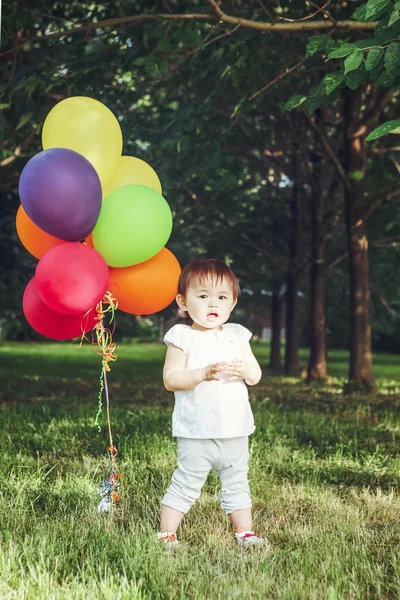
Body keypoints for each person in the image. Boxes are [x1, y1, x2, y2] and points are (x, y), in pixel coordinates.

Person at [156, 258, 265, 549]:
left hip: (235, 430)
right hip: (196, 430)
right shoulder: (182, 338)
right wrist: (202, 373)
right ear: (183, 301)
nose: (212, 304)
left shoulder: (237, 336)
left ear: (232, 304)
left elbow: (255, 375)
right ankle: (167, 533)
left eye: (221, 297)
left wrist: (246, 371)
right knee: (186, 483)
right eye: (202, 296)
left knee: (237, 482)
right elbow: (171, 379)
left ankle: (244, 531)